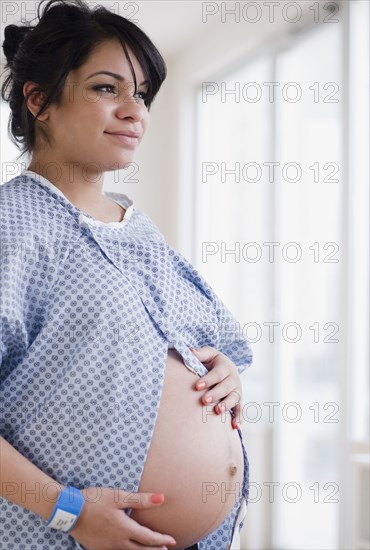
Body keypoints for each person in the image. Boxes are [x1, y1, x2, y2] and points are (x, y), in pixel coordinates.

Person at [0, 1, 254, 549]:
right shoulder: (13, 225)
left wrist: (226, 370)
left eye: (141, 94)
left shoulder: (138, 230)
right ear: (38, 99)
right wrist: (70, 512)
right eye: (106, 88)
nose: (135, 110)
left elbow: (203, 342)